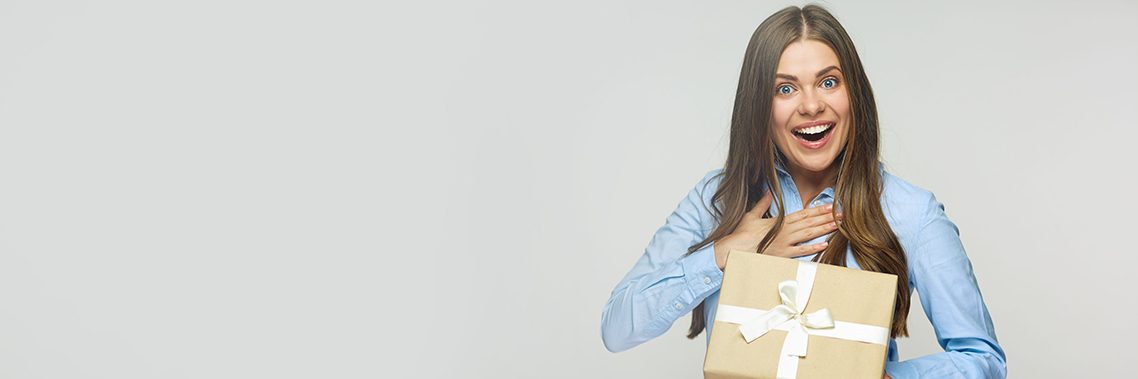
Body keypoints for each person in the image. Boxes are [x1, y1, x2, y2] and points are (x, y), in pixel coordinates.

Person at [599, 5, 1006, 378]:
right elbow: (617, 328)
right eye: (786, 88)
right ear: (760, 104)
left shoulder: (910, 212)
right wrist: (728, 254)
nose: (811, 106)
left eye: (828, 82)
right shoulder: (717, 198)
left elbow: (983, 359)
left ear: (854, 94)